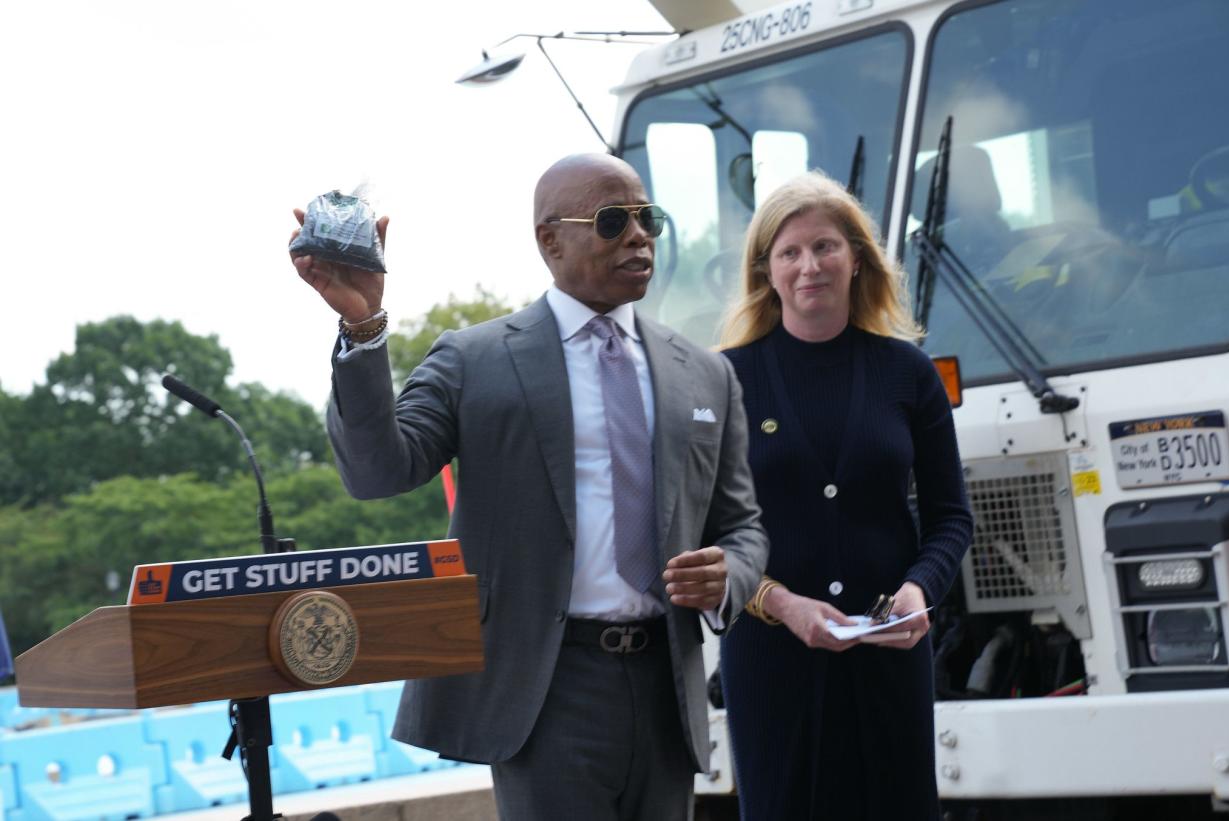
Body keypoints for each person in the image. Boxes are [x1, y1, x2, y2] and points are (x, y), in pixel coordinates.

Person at [288, 153, 768, 821]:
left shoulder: (704, 373)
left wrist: (731, 576)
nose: (639, 236)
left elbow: (743, 526)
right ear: (550, 239)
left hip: (667, 685)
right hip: (545, 689)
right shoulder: (474, 359)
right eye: (612, 221)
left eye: (646, 217)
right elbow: (377, 472)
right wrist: (364, 327)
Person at [718, 171, 974, 820]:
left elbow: (949, 517)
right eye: (790, 252)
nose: (811, 265)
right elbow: (703, 531)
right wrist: (781, 604)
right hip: (772, 662)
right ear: (767, 272)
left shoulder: (909, 373)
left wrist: (919, 591)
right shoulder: (724, 380)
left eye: (826, 246)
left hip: (890, 659)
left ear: (857, 258)